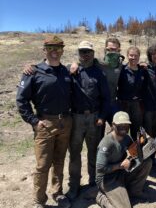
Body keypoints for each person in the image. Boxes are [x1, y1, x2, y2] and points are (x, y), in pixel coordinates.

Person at [16, 35, 72, 208]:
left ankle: (58, 192)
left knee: (60, 161)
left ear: (63, 50)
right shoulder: (33, 72)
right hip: (44, 124)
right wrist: (33, 121)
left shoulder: (67, 72)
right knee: (42, 165)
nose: (54, 52)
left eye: (58, 48)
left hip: (65, 123)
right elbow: (21, 100)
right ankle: (39, 199)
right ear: (44, 50)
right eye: (50, 48)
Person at [66, 41, 111, 200]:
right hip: (76, 118)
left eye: (88, 51)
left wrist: (102, 117)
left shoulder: (100, 73)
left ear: (93, 53)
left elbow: (106, 99)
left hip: (94, 118)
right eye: (82, 51)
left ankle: (94, 183)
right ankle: (74, 186)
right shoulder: (70, 71)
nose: (85, 54)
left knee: (94, 153)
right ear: (78, 53)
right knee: (74, 154)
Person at [95, 111, 152, 208]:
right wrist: (120, 165)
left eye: (126, 125)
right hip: (107, 179)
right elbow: (100, 169)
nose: (124, 127)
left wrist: (144, 144)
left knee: (147, 162)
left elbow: (132, 154)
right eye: (120, 125)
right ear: (113, 125)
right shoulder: (106, 143)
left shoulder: (127, 138)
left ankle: (135, 191)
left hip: (121, 172)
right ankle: (101, 198)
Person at [117, 46, 146, 140]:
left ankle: (137, 152)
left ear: (139, 57)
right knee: (122, 130)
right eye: (131, 55)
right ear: (127, 56)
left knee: (137, 131)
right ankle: (121, 153)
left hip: (137, 105)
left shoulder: (142, 70)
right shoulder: (122, 70)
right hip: (123, 104)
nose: (133, 58)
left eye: (136, 56)